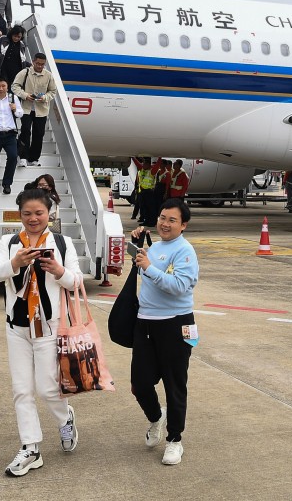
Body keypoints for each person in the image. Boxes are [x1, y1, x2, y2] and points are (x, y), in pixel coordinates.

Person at [0, 188, 81, 475]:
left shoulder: (62, 243)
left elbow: (76, 281)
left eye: (39, 213)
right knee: (22, 390)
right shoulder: (10, 242)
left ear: (49, 213)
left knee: (49, 389)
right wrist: (15, 263)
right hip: (17, 327)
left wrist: (58, 270)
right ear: (19, 215)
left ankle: (65, 420)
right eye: (26, 213)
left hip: (49, 327)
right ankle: (31, 448)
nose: (33, 218)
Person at [130, 198, 199, 466]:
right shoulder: (155, 247)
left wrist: (148, 267)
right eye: (162, 217)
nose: (164, 223)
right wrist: (136, 245)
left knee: (174, 384)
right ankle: (157, 417)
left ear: (184, 225)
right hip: (145, 322)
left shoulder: (185, 251)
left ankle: (174, 440)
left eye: (172, 220)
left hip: (176, 323)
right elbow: (147, 266)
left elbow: (179, 286)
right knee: (140, 383)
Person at [11, 53, 57, 168]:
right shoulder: (25, 72)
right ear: (33, 62)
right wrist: (25, 95)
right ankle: (23, 157)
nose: (40, 66)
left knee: (39, 134)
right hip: (26, 108)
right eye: (38, 64)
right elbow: (14, 86)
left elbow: (53, 92)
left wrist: (44, 98)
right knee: (26, 131)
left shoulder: (49, 75)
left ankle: (34, 158)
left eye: (42, 64)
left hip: (41, 110)